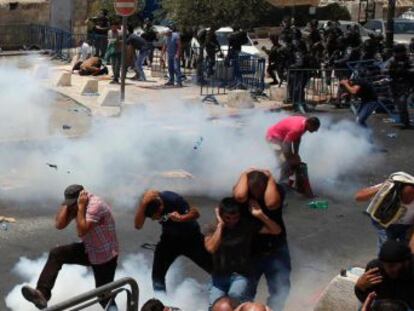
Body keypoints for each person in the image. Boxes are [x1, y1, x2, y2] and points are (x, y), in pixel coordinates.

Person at [21, 185, 119, 310]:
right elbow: (59, 224)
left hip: (105, 256)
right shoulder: (74, 205)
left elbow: (81, 231)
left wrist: (81, 207)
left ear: (81, 198)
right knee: (57, 253)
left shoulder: (95, 205)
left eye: (73, 204)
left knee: (104, 297)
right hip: (90, 249)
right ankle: (42, 294)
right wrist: (67, 205)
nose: (72, 206)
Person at [204, 197, 281, 308]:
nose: (232, 221)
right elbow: (211, 248)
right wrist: (220, 225)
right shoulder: (211, 228)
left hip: (240, 276)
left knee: (234, 301)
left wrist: (260, 215)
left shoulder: (245, 225)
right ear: (220, 215)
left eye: (235, 218)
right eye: (228, 218)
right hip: (218, 277)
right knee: (215, 306)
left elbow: (276, 230)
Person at [233, 170, 290, 311]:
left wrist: (260, 215)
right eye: (253, 189)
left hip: (276, 249)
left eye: (260, 189)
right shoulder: (243, 196)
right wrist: (245, 173)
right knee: (245, 293)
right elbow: (239, 195)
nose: (257, 194)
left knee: (280, 291)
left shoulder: (276, 191)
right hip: (251, 252)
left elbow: (271, 204)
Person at [134, 190, 212, 293]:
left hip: (191, 238)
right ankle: (161, 302)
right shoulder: (146, 203)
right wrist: (143, 205)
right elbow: (138, 225)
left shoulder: (173, 199)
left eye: (155, 216)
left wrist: (181, 218)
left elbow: (195, 213)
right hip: (169, 240)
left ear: (161, 207)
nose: (154, 220)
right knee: (157, 276)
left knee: (214, 267)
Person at [355, 172, 414, 251]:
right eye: (405, 198)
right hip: (384, 224)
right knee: (386, 249)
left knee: (406, 251)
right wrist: (381, 188)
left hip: (407, 226)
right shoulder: (390, 190)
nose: (407, 202)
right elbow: (358, 197)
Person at [354, 240, 414, 309]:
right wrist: (360, 288)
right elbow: (366, 299)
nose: (387, 270)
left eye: (392, 266)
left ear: (406, 262)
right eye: (384, 265)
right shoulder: (376, 269)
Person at [266, 116, 320, 183]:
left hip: (279, 138)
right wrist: (291, 157)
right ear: (309, 124)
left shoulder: (304, 122)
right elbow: (286, 144)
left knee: (287, 161)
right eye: (314, 128)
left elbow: (297, 139)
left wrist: (296, 153)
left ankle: (277, 174)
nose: (315, 131)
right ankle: (282, 183)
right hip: (272, 138)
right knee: (285, 162)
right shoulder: (297, 128)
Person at [384, 44, 414, 129]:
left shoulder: (408, 59)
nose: (397, 54)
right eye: (396, 53)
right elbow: (383, 69)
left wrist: (406, 70)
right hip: (394, 84)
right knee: (398, 104)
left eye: (399, 52)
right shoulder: (392, 60)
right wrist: (393, 70)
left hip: (406, 84)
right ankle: (404, 121)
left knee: (402, 102)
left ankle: (406, 123)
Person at [107, 20, 122, 84]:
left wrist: (117, 41)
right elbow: (108, 39)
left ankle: (116, 78)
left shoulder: (120, 33)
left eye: (114, 27)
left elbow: (123, 41)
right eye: (112, 27)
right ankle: (115, 77)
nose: (113, 28)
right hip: (112, 51)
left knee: (117, 65)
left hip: (118, 51)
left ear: (116, 26)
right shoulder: (109, 32)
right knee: (113, 65)